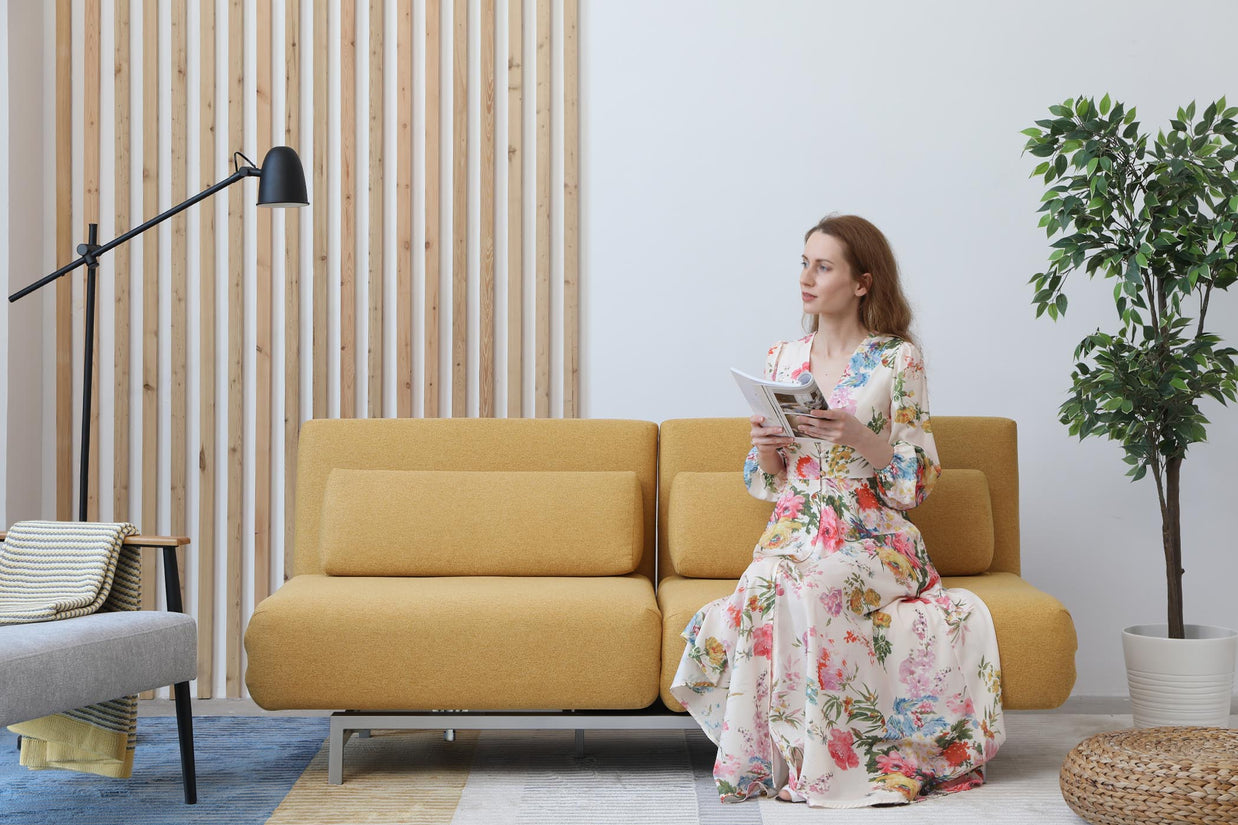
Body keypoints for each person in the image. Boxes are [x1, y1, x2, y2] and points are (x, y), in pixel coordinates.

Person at [669, 214, 1005, 808]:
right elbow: (766, 481)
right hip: (794, 531)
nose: (807, 277)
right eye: (804, 262)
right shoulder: (782, 358)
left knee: (816, 584)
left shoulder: (898, 362)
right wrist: (768, 453)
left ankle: (828, 773)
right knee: (769, 582)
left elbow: (917, 480)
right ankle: (771, 761)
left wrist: (859, 436)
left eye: (823, 266)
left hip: (872, 536)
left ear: (861, 282)